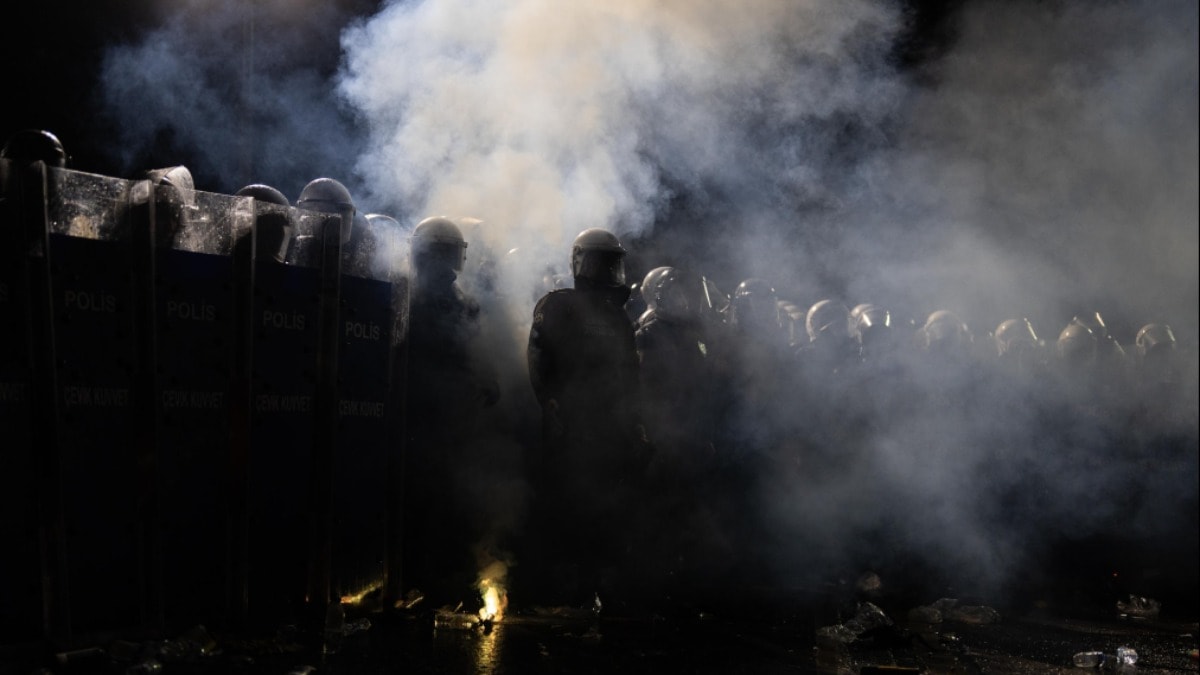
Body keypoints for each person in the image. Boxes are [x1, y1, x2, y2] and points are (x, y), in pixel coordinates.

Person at [525, 227, 647, 605]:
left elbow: (630, 375)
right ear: (580, 262)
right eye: (600, 263)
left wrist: (635, 423)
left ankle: (597, 583)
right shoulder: (558, 305)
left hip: (610, 426)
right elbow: (537, 356)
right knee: (567, 501)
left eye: (613, 264)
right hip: (571, 424)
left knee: (605, 505)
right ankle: (562, 587)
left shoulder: (619, 317)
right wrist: (549, 401)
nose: (608, 272)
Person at [402, 215, 498, 606]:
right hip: (421, 413)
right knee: (426, 499)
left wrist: (487, 382)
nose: (444, 263)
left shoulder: (452, 301)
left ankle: (440, 581)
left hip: (449, 414)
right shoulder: (405, 296)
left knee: (447, 498)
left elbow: (477, 351)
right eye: (439, 253)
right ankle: (423, 580)